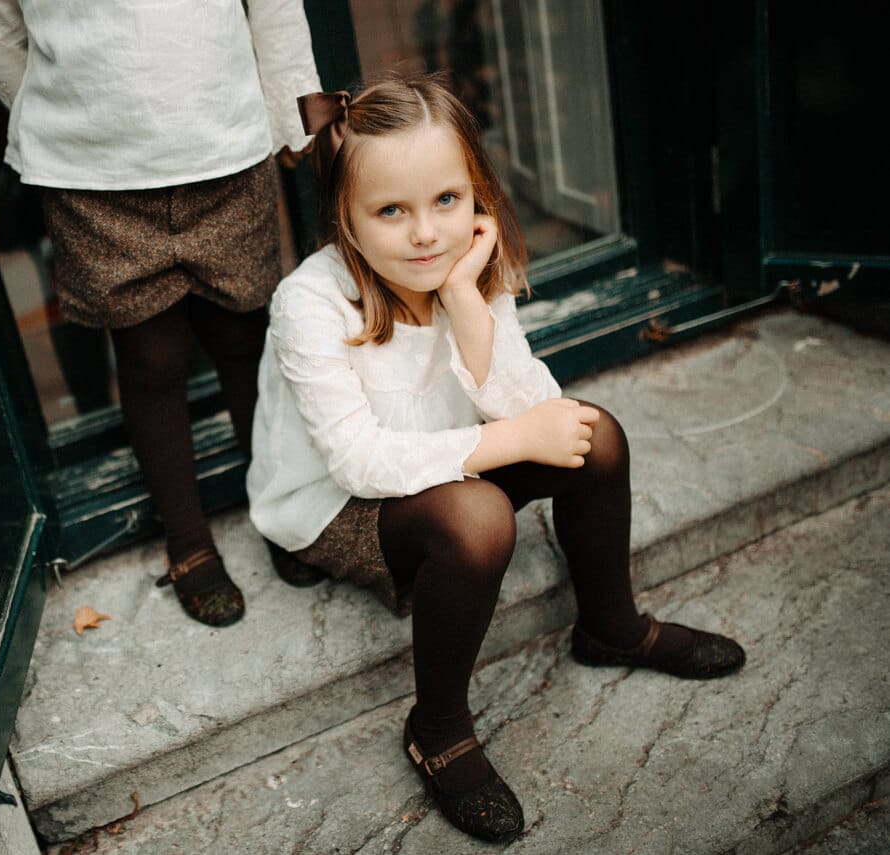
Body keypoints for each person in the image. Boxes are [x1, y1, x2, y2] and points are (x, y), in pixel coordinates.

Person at [246, 73, 746, 844]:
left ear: (475, 189)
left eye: (447, 200)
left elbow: (535, 407)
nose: (426, 235)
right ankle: (438, 726)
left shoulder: (466, 266)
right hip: (339, 505)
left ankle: (610, 626)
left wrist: (468, 305)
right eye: (390, 211)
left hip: (447, 463)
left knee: (595, 433)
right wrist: (511, 442)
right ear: (343, 217)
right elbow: (358, 461)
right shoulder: (310, 302)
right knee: (479, 520)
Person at [0, 1, 322, 627]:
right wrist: (67, 120)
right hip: (95, 179)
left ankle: (283, 506)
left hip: (227, 151)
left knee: (243, 339)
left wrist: (289, 109)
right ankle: (187, 538)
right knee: (151, 357)